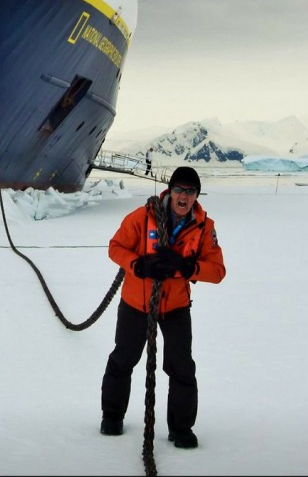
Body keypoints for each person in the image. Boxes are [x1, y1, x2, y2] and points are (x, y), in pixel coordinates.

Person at [100, 166, 226, 449]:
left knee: (181, 367)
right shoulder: (142, 217)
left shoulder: (204, 228)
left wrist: (186, 267)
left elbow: (217, 271)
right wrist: (138, 265)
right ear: (170, 191)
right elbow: (115, 247)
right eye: (179, 189)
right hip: (136, 302)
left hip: (176, 307)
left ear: (196, 196)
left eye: (190, 191)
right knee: (124, 358)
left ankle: (181, 429)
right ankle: (112, 416)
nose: (184, 196)